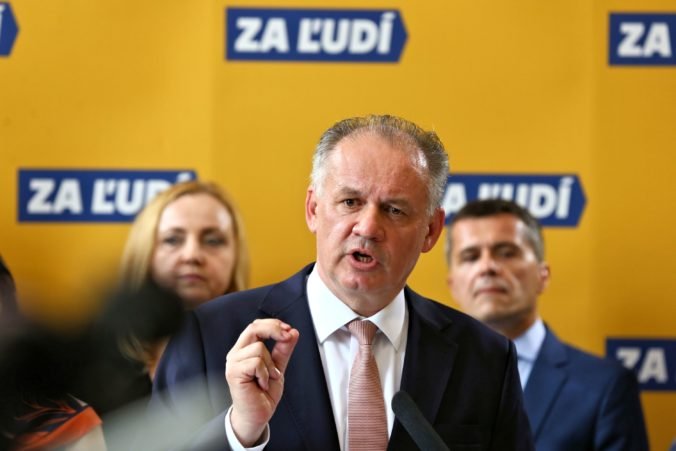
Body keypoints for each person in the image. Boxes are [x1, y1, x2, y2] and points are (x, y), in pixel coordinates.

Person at [151, 115, 534, 450]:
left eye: (394, 210)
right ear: (313, 209)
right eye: (350, 202)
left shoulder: (484, 357)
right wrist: (240, 433)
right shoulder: (209, 337)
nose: (367, 227)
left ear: (431, 230)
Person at [445, 199, 649, 451]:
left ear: (543, 275)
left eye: (506, 253)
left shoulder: (606, 386)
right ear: (453, 284)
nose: (487, 267)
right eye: (471, 256)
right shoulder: (424, 378)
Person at [119, 180, 250, 379]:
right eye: (172, 240)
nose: (192, 255)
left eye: (213, 240)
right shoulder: (99, 360)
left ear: (236, 255)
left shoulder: (266, 356)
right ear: (144, 252)